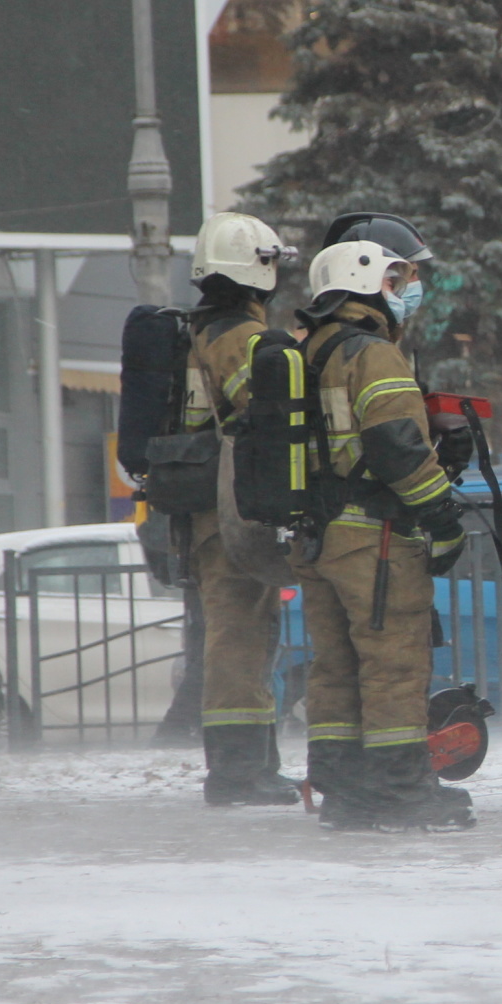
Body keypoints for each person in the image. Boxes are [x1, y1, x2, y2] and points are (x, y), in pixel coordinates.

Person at [292, 239, 471, 831]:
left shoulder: (310, 350)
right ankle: (400, 793)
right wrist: (443, 520)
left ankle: (346, 792)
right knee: (393, 663)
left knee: (337, 666)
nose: (403, 294)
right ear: (363, 282)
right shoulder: (371, 353)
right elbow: (396, 445)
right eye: (394, 282)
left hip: (317, 539)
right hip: (374, 537)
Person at [181, 212, 302, 805]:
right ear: (260, 268)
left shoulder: (199, 330)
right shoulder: (240, 340)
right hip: (227, 509)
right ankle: (237, 771)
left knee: (241, 633)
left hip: (206, 506)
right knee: (240, 636)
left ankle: (251, 765)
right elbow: (266, 419)